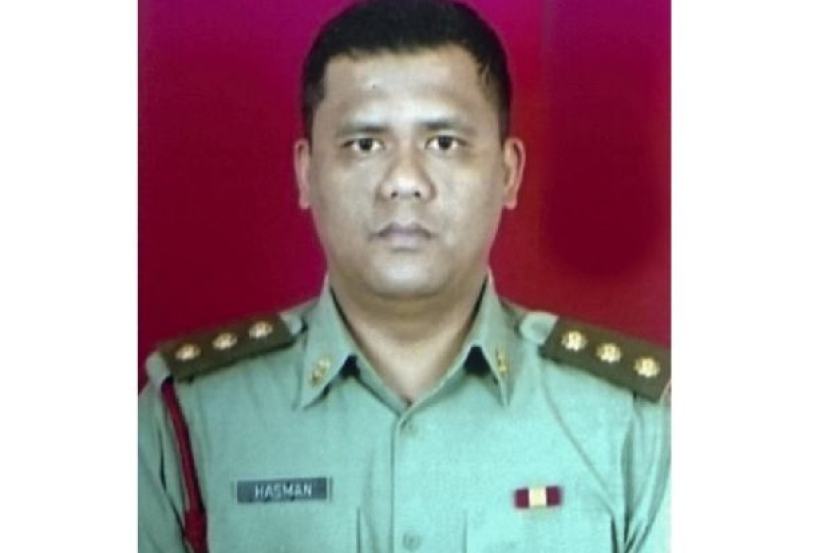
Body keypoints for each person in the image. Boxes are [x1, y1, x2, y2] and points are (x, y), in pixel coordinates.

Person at [138, 0, 670, 552]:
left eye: (444, 143)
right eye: (365, 144)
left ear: (508, 173)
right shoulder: (186, 423)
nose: (404, 181)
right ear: (307, 173)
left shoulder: (632, 426)